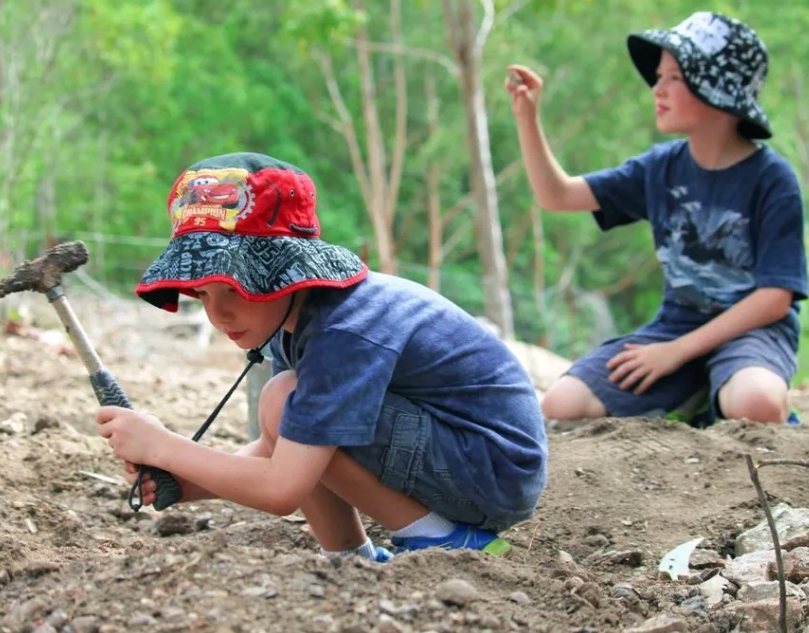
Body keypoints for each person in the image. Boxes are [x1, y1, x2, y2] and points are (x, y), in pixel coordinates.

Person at [96, 152, 547, 561]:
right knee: (286, 405)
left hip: (493, 467)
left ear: (285, 269)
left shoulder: (344, 330)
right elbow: (285, 445)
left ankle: (440, 537)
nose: (218, 314)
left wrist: (165, 446)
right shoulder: (290, 317)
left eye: (234, 287)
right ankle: (349, 559)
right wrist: (187, 480)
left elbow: (281, 489)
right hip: (466, 457)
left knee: (281, 397)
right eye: (201, 293)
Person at [505, 11, 807, 426]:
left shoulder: (772, 179)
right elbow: (557, 196)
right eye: (658, 77)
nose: (657, 89)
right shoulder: (660, 168)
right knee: (561, 404)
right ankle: (696, 392)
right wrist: (527, 118)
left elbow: (775, 299)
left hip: (751, 334)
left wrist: (677, 353)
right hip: (676, 325)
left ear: (718, 91)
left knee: (756, 404)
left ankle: (718, 390)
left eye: (673, 79)